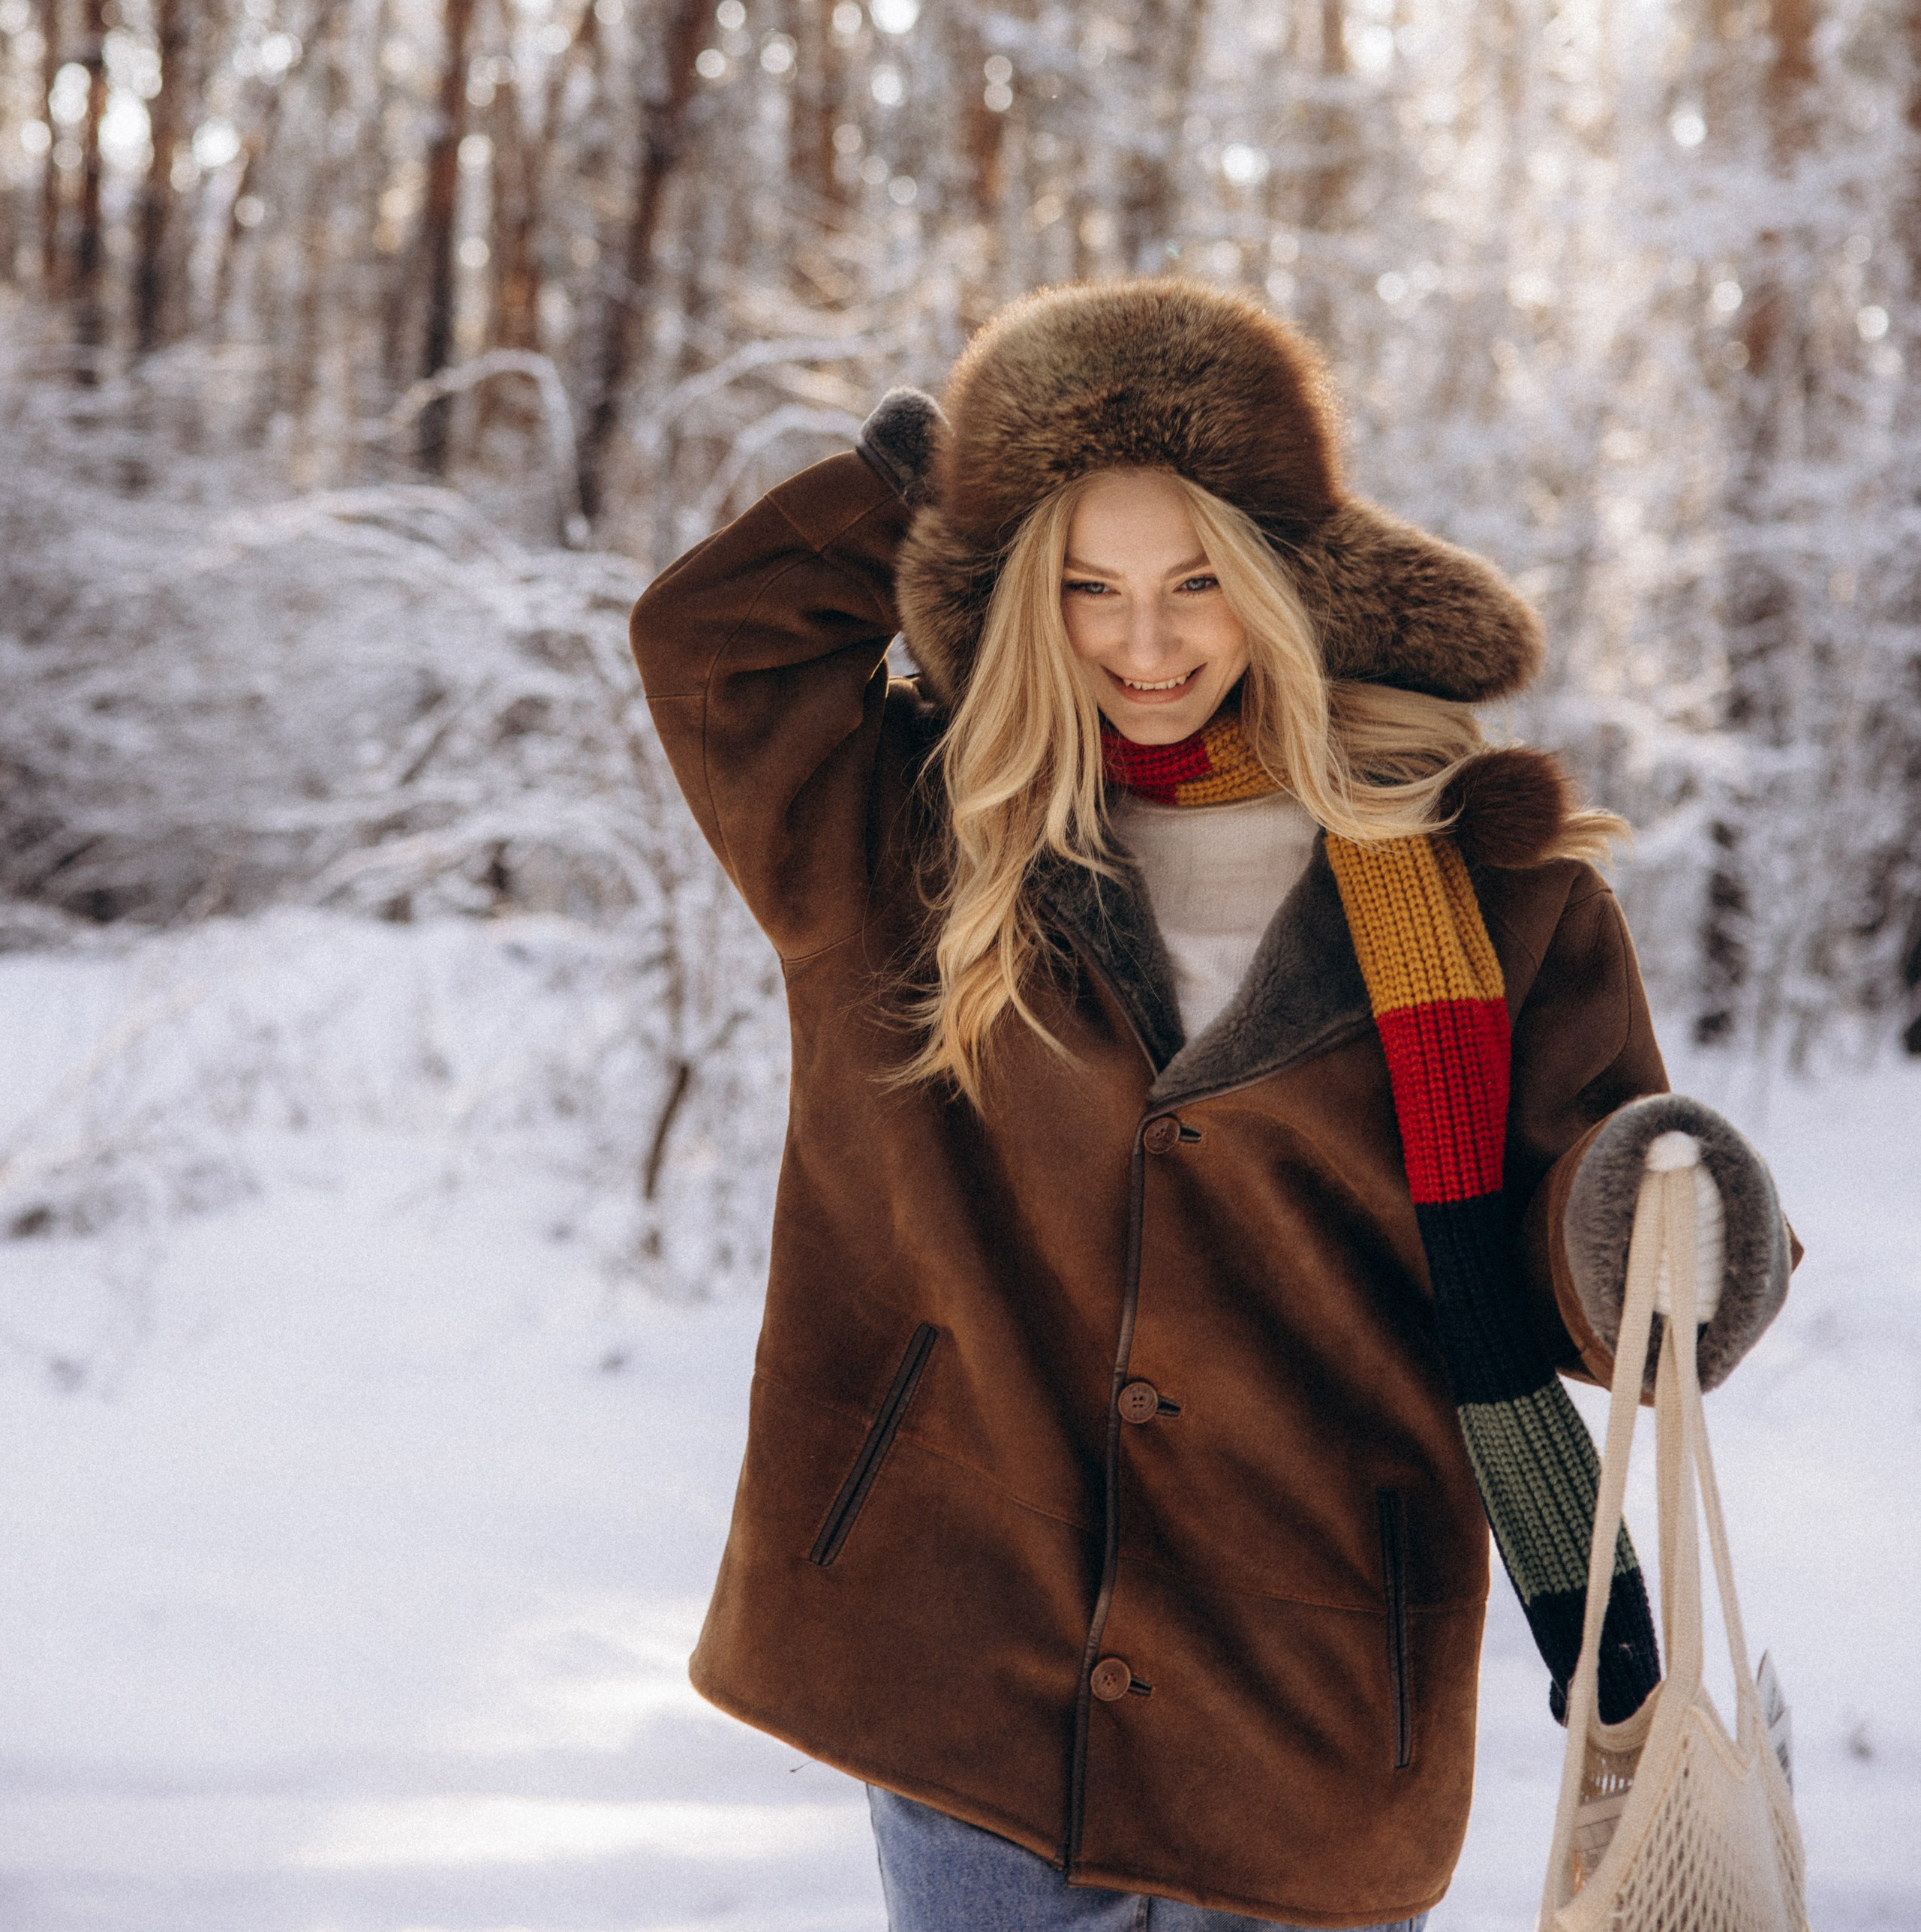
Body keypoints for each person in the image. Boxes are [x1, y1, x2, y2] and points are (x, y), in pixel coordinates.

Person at [629, 281, 1793, 1932]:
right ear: (1022, 589)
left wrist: (1654, 1205)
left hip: (1310, 1670)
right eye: (1085, 585)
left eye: (1194, 581)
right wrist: (928, 479)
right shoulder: (910, 832)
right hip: (965, 1638)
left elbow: (1575, 1279)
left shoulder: (1489, 884)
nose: (1144, 641)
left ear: (1283, 576)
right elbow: (717, 644)